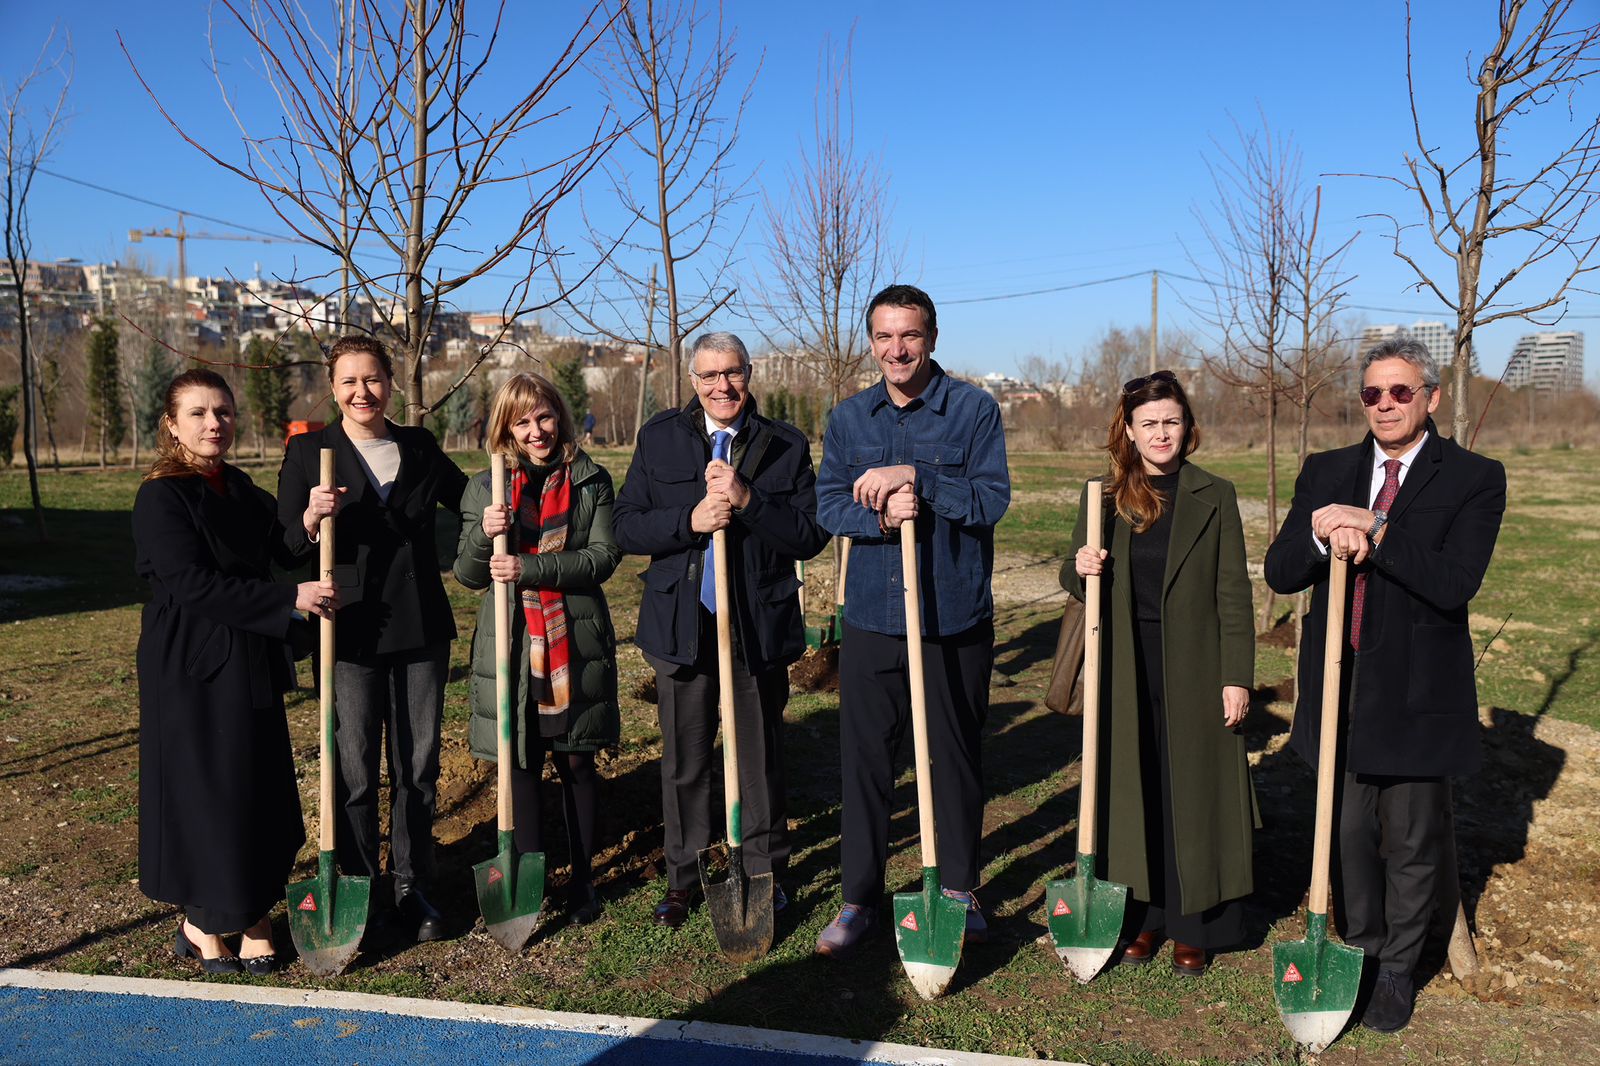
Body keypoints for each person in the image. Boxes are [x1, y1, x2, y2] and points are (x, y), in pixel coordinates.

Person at [1265, 337, 1506, 1033]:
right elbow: (1282, 571)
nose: (1385, 405)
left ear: (1431, 397)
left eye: (1401, 391)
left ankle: (1399, 968)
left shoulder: (1472, 477)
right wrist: (1319, 538)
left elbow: (1456, 581)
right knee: (1345, 832)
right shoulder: (1328, 470)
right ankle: (1362, 949)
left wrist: (1379, 528)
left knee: (1410, 836)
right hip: (1341, 680)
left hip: (1418, 689)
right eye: (1373, 393)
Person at [812, 284, 1010, 958]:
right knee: (865, 764)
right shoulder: (848, 420)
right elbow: (828, 506)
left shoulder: (973, 411)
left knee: (954, 758)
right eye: (884, 337)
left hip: (953, 619)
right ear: (871, 342)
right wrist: (877, 514)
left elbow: (991, 502)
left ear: (931, 338)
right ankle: (859, 899)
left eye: (910, 335)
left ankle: (957, 889)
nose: (897, 350)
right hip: (873, 618)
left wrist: (919, 479)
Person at [612, 331, 828, 929]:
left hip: (756, 624)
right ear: (692, 381)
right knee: (686, 759)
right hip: (683, 621)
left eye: (731, 373)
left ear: (749, 373)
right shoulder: (660, 438)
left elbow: (810, 533)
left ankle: (763, 870)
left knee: (759, 755)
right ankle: (684, 876)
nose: (721, 386)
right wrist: (690, 519)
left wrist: (748, 500)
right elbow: (627, 527)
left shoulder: (783, 444)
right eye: (708, 377)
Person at [133, 368, 337, 976]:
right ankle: (204, 922)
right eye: (197, 414)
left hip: (248, 654)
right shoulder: (161, 496)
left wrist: (307, 519)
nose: (213, 424)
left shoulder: (237, 485)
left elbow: (276, 546)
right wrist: (286, 600)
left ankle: (252, 912)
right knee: (210, 795)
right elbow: (192, 584)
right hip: (192, 666)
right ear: (172, 424)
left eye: (222, 412)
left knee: (256, 789)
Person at [1062, 369, 1256, 977]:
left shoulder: (1214, 494)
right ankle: (1141, 919)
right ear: (1129, 428)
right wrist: (1081, 563)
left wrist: (1237, 674)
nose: (1161, 433)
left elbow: (1233, 592)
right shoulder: (1103, 495)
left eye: (1171, 421)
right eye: (1149, 423)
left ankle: (1193, 925)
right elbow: (1073, 579)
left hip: (1195, 667)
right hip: (1123, 663)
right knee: (1132, 788)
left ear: (1187, 426)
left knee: (1191, 795)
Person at [277, 334, 468, 942]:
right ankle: (359, 888)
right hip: (350, 632)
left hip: (419, 630)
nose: (362, 392)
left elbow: (470, 498)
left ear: (391, 382)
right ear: (333, 389)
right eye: (348, 382)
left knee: (417, 766)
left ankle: (413, 885)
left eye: (373, 379)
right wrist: (310, 518)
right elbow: (283, 544)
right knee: (354, 769)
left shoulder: (418, 445)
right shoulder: (312, 453)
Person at [453, 373, 622, 924]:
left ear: (560, 417)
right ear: (506, 427)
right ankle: (528, 877)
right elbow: (470, 575)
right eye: (522, 421)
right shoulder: (486, 487)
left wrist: (530, 566)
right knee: (518, 758)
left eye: (544, 417)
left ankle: (583, 880)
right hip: (508, 641)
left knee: (576, 757)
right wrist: (485, 531)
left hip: (571, 637)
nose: (536, 430)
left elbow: (602, 558)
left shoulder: (590, 480)